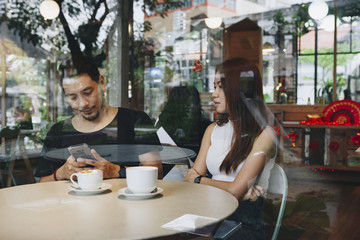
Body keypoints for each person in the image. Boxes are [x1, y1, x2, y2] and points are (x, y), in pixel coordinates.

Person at [183, 58, 277, 239]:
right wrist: (198, 181)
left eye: (221, 87)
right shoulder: (212, 130)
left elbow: (234, 190)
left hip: (241, 222)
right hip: (210, 213)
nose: (214, 94)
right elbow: (188, 179)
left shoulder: (264, 135)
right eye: (214, 86)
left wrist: (199, 180)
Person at [35, 56, 162, 182]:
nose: (83, 103)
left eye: (88, 93)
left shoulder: (136, 121)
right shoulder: (59, 131)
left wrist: (116, 171)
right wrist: (61, 173)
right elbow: (42, 184)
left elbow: (156, 174)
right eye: (73, 97)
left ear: (102, 83)